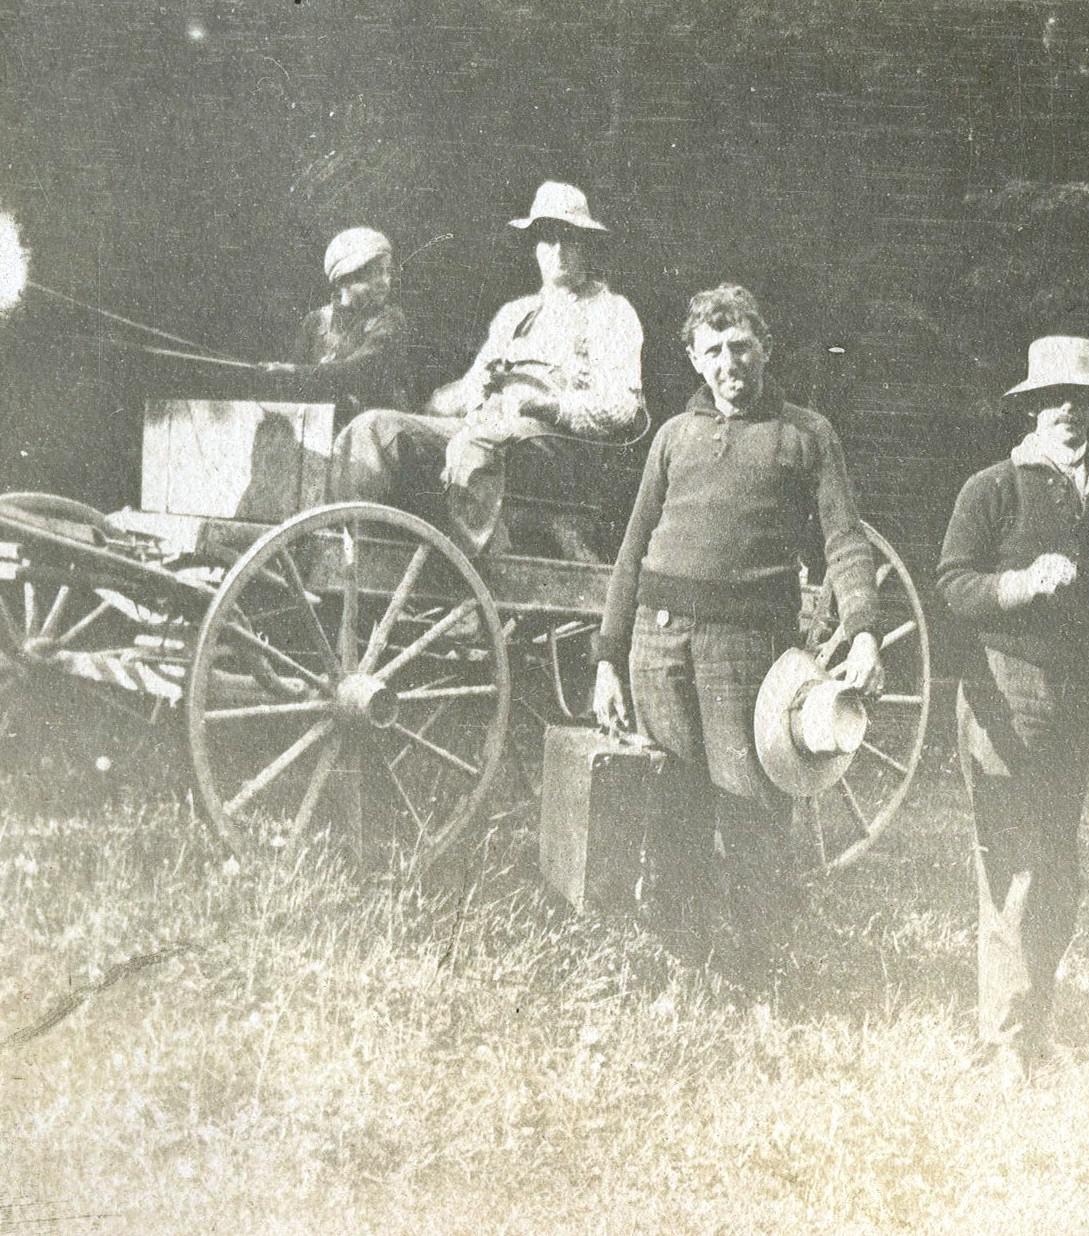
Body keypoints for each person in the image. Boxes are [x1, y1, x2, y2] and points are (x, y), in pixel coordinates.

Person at [592, 283, 882, 990]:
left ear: (766, 350)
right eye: (714, 350)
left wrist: (865, 631)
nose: (730, 363)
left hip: (746, 656)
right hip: (657, 652)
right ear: (694, 359)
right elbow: (632, 553)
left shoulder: (805, 436)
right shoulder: (671, 438)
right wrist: (606, 658)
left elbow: (845, 540)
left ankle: (758, 976)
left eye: (742, 347)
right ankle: (683, 967)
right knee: (675, 810)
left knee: (751, 809)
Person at [935, 335, 1089, 1083]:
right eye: (1053, 399)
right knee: (1012, 862)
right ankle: (1003, 1041)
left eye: (1081, 400)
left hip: (1079, 700)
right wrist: (1018, 585)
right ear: (1030, 409)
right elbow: (953, 584)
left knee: (1059, 866)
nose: (1069, 412)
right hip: (1007, 688)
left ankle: (1038, 1023)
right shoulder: (993, 487)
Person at [331, 181, 645, 554]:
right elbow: (470, 388)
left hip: (556, 454)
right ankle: (359, 557)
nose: (557, 250)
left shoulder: (610, 312)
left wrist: (550, 405)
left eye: (569, 238)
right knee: (375, 429)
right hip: (492, 435)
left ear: (586, 245)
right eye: (547, 238)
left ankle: (466, 571)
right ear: (536, 246)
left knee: (474, 443)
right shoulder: (515, 315)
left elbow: (623, 407)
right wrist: (435, 404)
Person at [261, 226, 412, 423]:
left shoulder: (390, 319)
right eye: (374, 274)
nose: (385, 282)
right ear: (344, 279)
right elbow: (294, 388)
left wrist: (293, 372)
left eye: (386, 272)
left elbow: (358, 371)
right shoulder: (315, 322)